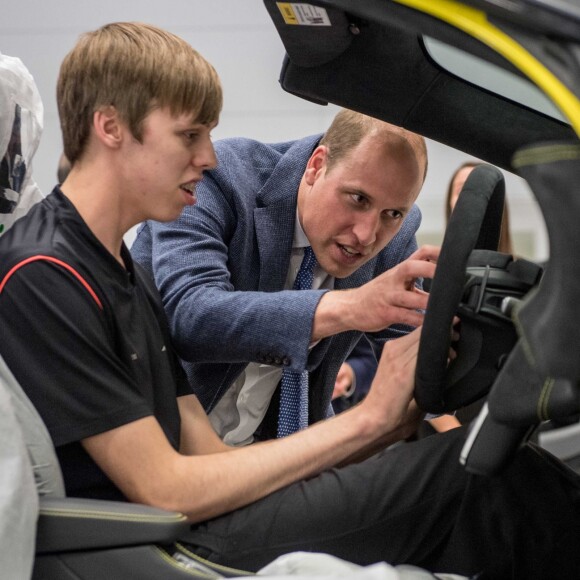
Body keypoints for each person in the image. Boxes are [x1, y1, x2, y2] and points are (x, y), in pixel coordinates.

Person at [1, 21, 580, 579]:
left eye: (206, 136)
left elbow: (202, 451)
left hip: (203, 509)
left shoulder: (115, 266)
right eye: (189, 135)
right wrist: (369, 420)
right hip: (164, 542)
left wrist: (391, 422)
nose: (207, 156)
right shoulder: (45, 271)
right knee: (485, 483)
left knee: (495, 473)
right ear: (110, 127)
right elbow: (167, 486)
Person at [132, 107, 432, 445]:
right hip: (158, 443)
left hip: (271, 455)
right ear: (317, 165)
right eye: (358, 199)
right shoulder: (219, 177)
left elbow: (420, 357)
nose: (367, 235)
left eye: (393, 213)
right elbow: (191, 316)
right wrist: (347, 307)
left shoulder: (397, 235)